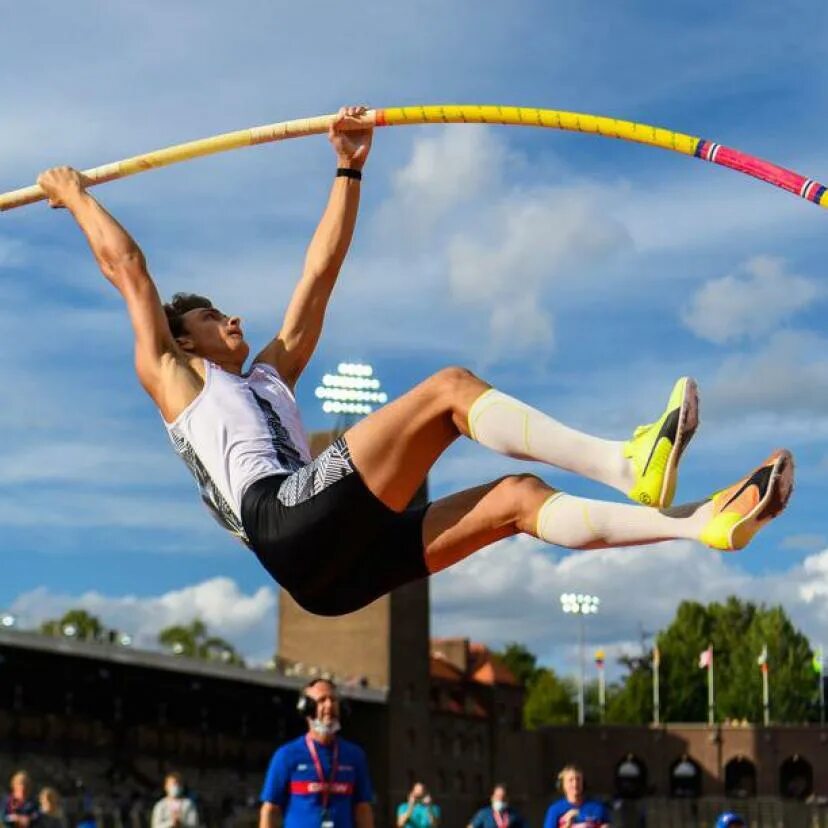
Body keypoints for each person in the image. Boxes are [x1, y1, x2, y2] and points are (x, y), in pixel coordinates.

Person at [37, 106, 794, 618]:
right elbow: (130, 270)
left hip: (329, 574)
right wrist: (73, 196)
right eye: (211, 317)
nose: (232, 318)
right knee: (449, 392)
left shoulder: (270, 376)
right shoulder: (177, 382)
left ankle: (700, 528)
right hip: (284, 520)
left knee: (517, 500)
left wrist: (349, 169)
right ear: (187, 341)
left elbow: (319, 271)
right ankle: (626, 464)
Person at [259, 678, 373, 828]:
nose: (329, 705)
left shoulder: (355, 756)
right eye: (321, 700)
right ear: (306, 708)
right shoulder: (286, 755)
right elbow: (270, 810)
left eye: (333, 699)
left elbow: (363, 809)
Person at [543, 766, 610, 828]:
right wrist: (567, 825)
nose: (575, 784)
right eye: (570, 780)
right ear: (563, 785)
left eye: (578, 779)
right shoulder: (555, 809)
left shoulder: (598, 807)